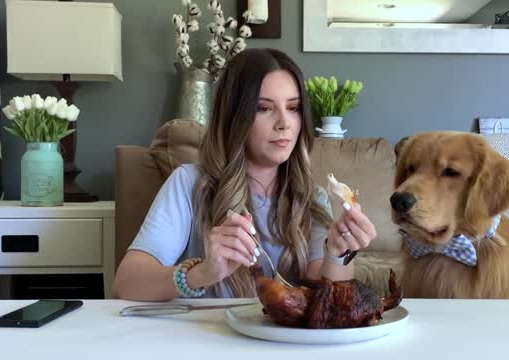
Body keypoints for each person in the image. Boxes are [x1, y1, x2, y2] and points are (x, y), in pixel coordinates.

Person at [113, 48, 377, 301]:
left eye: (293, 108)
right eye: (264, 108)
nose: (284, 123)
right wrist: (203, 273)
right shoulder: (188, 183)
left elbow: (328, 299)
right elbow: (128, 282)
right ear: (234, 117)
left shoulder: (314, 199)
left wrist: (339, 253)